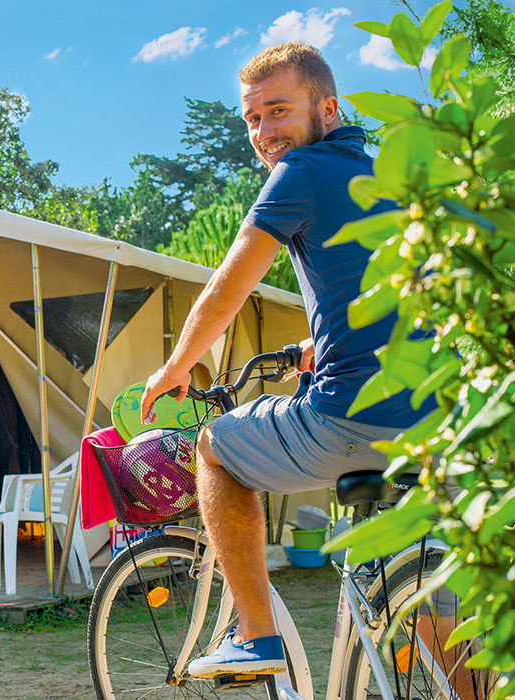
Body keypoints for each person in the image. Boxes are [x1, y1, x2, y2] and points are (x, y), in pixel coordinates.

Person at [138, 42, 435, 678]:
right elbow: (396, 291)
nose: (264, 132)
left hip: (354, 417)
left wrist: (176, 366)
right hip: (435, 422)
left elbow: (228, 286)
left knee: (215, 446)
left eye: (278, 111)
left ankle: (254, 637)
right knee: (429, 612)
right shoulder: (385, 175)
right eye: (252, 119)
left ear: (326, 106)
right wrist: (318, 344)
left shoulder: (299, 174)